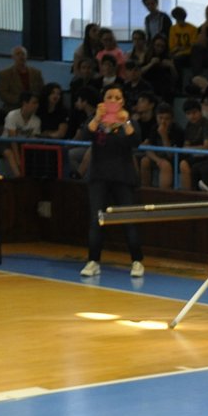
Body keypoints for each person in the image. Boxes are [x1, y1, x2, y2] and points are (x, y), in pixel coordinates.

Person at [80, 86, 146, 278]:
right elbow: (85, 134)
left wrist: (124, 120)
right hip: (99, 176)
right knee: (96, 220)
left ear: (122, 102)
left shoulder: (129, 121)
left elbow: (135, 140)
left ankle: (137, 261)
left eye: (117, 97)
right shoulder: (97, 121)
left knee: (128, 219)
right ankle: (93, 261)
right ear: (103, 100)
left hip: (123, 177)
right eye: (109, 96)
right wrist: (97, 118)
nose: (113, 100)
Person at [1, 91, 41, 177]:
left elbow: (34, 140)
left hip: (24, 145)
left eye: (37, 103)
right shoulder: (12, 115)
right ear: (25, 103)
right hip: (7, 143)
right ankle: (19, 178)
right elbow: (13, 139)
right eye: (33, 103)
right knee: (9, 153)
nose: (36, 106)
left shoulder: (37, 121)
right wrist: (18, 160)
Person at [0, 46, 38, 112]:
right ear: (13, 57)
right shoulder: (5, 74)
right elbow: (3, 94)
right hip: (12, 108)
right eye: (18, 54)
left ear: (26, 56)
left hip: (32, 108)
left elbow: (40, 89)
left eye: (23, 54)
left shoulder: (36, 73)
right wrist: (21, 101)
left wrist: (32, 101)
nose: (21, 56)